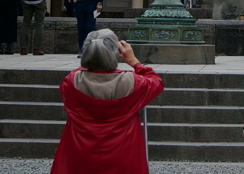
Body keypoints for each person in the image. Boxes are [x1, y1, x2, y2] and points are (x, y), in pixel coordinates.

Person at [51, 29, 164, 174]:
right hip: (124, 150)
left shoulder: (71, 82)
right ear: (116, 52)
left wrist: (92, 59)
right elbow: (156, 82)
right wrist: (134, 62)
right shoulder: (132, 82)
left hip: (81, 149)